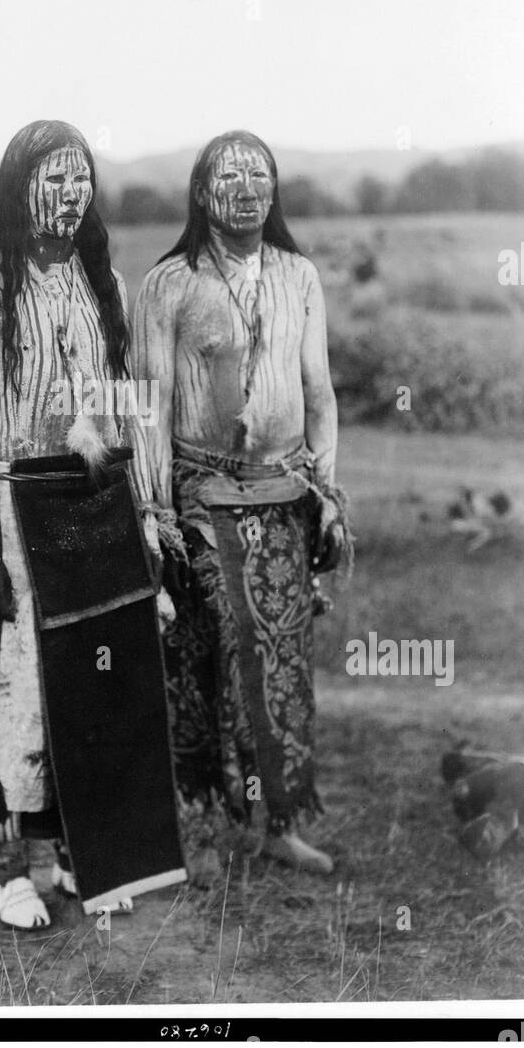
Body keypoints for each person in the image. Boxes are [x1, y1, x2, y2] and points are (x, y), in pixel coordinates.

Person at [0, 119, 186, 929]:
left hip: (92, 499)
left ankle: (71, 848)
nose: (70, 195)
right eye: (53, 179)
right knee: (12, 689)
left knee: (86, 680)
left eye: (82, 180)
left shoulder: (91, 274)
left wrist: (145, 510)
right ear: (18, 186)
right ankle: (7, 862)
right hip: (14, 504)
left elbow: (120, 403)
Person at [132, 130, 351, 880]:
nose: (246, 185)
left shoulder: (298, 276)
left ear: (273, 189)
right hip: (200, 500)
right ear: (201, 193)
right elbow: (148, 411)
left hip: (286, 496)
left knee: (280, 666)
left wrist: (327, 495)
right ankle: (198, 827)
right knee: (203, 660)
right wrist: (154, 517)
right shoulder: (168, 284)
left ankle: (273, 823)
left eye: (259, 173)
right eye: (228, 175)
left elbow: (319, 396)